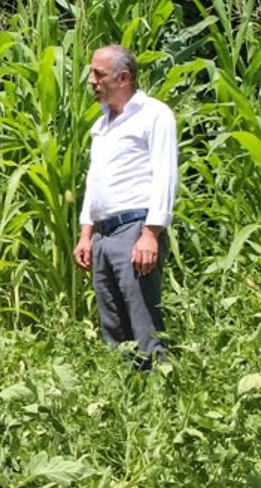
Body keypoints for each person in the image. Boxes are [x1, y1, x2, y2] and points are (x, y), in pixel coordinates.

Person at [73, 45, 177, 368]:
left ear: (124, 77)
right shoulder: (102, 124)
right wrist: (86, 233)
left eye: (98, 74)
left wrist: (150, 234)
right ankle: (126, 400)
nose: (91, 81)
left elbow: (165, 175)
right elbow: (95, 181)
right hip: (103, 236)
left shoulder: (154, 115)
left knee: (145, 324)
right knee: (114, 327)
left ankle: (161, 397)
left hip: (135, 231)